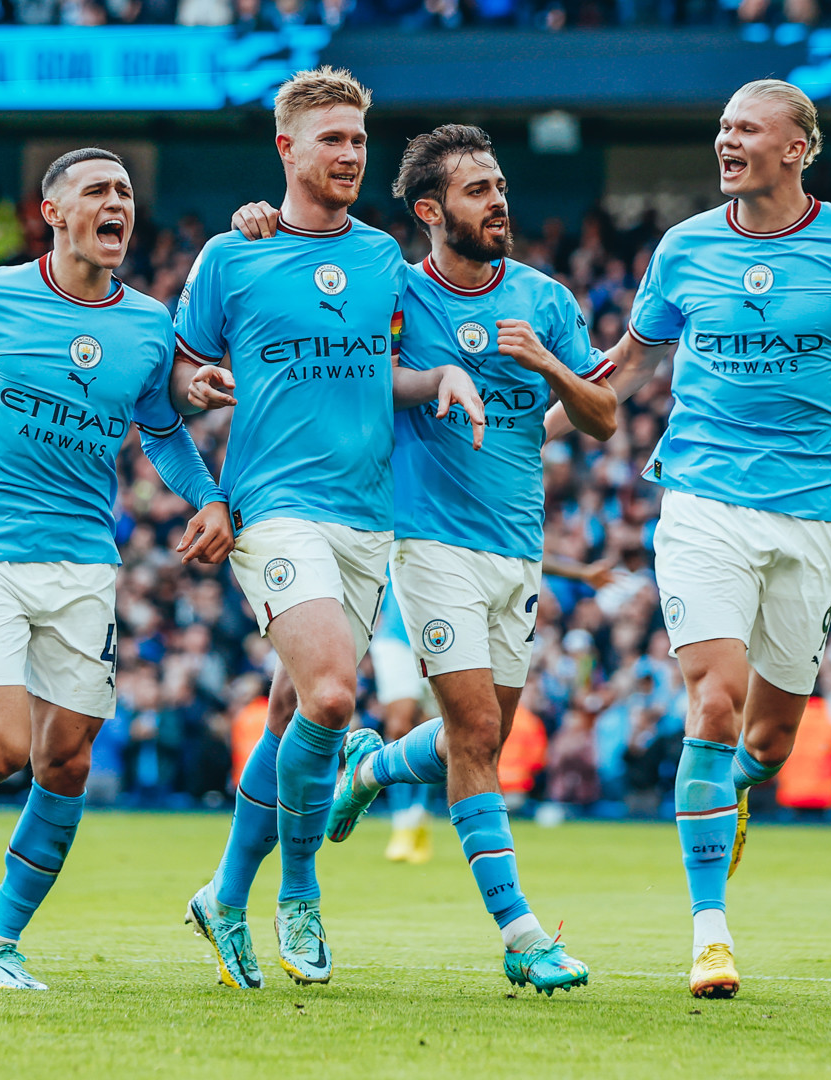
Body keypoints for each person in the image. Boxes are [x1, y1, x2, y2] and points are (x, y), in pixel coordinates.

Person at [547, 79, 831, 998]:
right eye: (722, 126)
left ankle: (738, 790)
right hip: (701, 502)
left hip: (812, 514)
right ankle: (710, 933)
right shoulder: (684, 247)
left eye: (747, 128)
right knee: (712, 704)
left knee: (771, 739)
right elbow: (627, 369)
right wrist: (526, 431)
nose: (726, 140)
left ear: (798, 148)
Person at [232, 123, 615, 995]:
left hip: (518, 547)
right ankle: (521, 935)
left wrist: (549, 364)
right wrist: (260, 223)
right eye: (479, 191)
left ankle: (372, 766)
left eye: (500, 186)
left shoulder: (546, 300)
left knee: (482, 734)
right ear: (432, 212)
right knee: (477, 737)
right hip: (426, 538)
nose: (500, 201)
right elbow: (318, 302)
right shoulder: (395, 291)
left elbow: (603, 418)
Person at [0, 148, 233, 991]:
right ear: (52, 213)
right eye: (97, 190)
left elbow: (162, 433)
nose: (116, 203)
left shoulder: (148, 326)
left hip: (85, 563)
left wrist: (209, 497)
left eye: (125, 192)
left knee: (64, 762)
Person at [172, 69, 484, 991]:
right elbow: (179, 378)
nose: (350, 154)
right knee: (336, 696)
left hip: (365, 518)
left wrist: (441, 379)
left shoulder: (384, 257)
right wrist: (200, 399)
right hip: (273, 508)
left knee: (292, 716)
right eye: (332, 140)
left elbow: (381, 373)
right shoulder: (231, 256)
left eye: (358, 140)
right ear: (286, 148)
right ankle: (299, 890)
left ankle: (224, 895)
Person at [365, 574, 439, 865]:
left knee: (435, 734)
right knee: (398, 728)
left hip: (440, 638)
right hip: (396, 639)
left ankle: (420, 815)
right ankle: (401, 823)